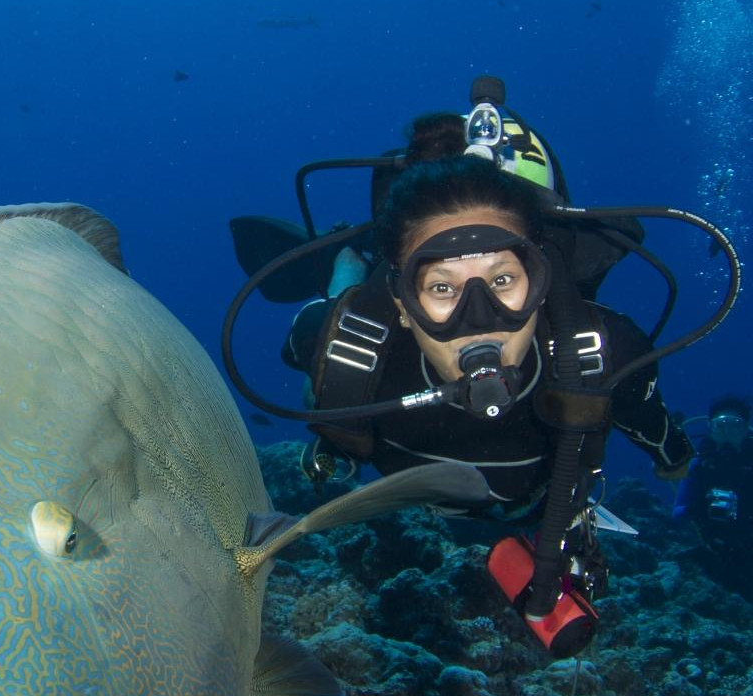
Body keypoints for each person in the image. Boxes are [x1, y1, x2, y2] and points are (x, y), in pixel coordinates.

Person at [282, 155, 695, 655]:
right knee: (328, 373)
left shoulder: (606, 356)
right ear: (403, 309)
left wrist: (675, 461)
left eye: (502, 281)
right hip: (374, 376)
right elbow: (308, 370)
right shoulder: (333, 341)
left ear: (539, 286)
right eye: (442, 287)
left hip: (534, 505)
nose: (479, 320)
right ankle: (347, 270)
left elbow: (659, 431)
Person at [673, 396, 753, 597]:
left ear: (746, 428)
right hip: (715, 554)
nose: (727, 432)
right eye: (721, 425)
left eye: (734, 425)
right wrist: (698, 508)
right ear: (710, 428)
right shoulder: (699, 465)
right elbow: (677, 514)